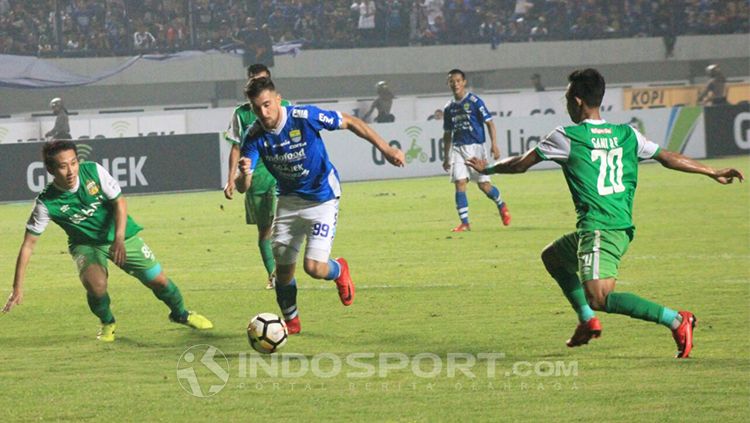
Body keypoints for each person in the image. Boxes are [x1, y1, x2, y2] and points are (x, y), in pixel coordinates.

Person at [467, 68, 744, 358]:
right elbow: (667, 157)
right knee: (553, 257)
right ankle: (587, 321)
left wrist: (487, 168)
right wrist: (711, 171)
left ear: (576, 101)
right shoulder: (626, 134)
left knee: (599, 296)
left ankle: (676, 319)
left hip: (600, 229)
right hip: (613, 226)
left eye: (566, 99)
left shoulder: (567, 136)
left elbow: (521, 164)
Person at [236, 77, 405, 334]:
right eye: (257, 107)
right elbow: (242, 187)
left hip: (322, 197)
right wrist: (244, 173)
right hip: (288, 201)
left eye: (267, 104)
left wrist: (385, 149)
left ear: (278, 99)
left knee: (314, 268)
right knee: (283, 271)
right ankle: (291, 322)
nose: (263, 112)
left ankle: (339, 270)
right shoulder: (254, 135)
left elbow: (350, 121)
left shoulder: (304, 116)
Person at [2, 141, 213, 341]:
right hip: (86, 244)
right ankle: (107, 322)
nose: (71, 171)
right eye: (63, 166)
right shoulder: (46, 203)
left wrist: (119, 238)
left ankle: (180, 314)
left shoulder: (93, 171)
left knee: (157, 280)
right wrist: (17, 287)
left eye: (74, 163)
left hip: (121, 235)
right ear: (50, 169)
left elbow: (119, 201)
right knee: (97, 286)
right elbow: (28, 245)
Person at [223, 64, 291, 290]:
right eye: (253, 81)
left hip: (281, 174)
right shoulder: (241, 114)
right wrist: (231, 178)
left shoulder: (286, 107)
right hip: (255, 178)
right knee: (265, 230)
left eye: (262, 81)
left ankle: (286, 269)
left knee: (285, 223)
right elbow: (235, 147)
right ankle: (273, 273)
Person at [442, 68, 510, 232]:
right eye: (452, 81)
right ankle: (465, 223)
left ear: (464, 82)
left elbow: (490, 123)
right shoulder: (448, 107)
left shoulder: (474, 101)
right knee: (460, 183)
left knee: (484, 186)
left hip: (476, 148)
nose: (455, 84)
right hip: (458, 149)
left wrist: (494, 144)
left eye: (458, 80)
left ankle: (501, 204)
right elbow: (447, 134)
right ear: (448, 83)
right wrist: (446, 156)